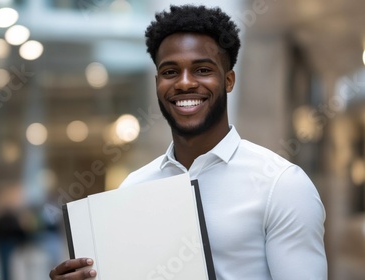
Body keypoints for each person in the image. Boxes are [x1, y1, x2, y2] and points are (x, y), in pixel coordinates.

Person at [49, 4, 327, 280]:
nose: (184, 83)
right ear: (158, 83)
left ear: (228, 80)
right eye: (170, 72)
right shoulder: (134, 188)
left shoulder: (281, 185)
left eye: (202, 70)